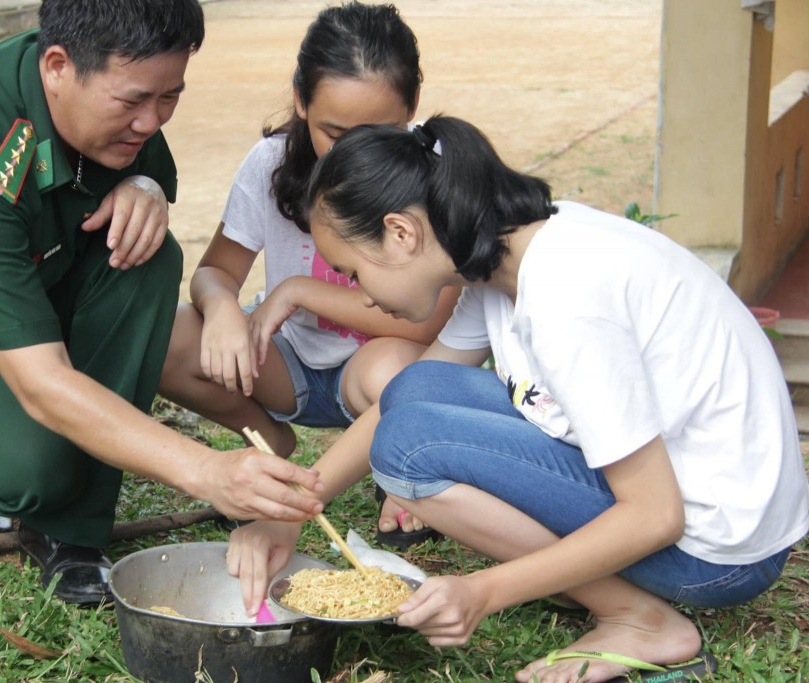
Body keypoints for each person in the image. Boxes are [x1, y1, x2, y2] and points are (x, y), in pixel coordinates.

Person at [229, 114, 809, 682]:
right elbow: (411, 392)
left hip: (716, 548)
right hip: (698, 495)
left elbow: (656, 515)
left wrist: (482, 591)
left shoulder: (565, 298)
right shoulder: (505, 252)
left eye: (352, 272)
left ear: (401, 232)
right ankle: (628, 605)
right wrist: (295, 509)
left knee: (408, 449)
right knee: (413, 392)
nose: (360, 294)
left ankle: (637, 618)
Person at [0, 0, 325, 607]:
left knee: (143, 252)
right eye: (133, 101)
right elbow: (42, 384)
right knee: (40, 463)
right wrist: (206, 470)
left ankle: (70, 531)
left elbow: (137, 171)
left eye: (170, 98)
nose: (151, 121)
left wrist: (146, 186)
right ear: (57, 65)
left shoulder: (102, 103)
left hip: (19, 316)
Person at [157, 1, 458, 548]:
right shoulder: (271, 162)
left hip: (380, 372)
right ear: (300, 100)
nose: (357, 157)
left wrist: (296, 291)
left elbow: (422, 325)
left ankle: (403, 468)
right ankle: (270, 444)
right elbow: (215, 272)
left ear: (413, 106)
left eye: (381, 132)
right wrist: (222, 307)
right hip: (287, 363)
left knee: (401, 371)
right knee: (163, 335)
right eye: (335, 133)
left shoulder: (436, 172)